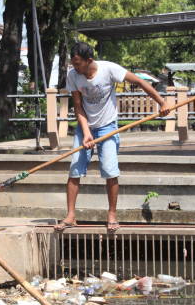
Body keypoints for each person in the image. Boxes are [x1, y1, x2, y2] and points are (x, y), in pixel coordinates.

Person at [54, 42, 170, 233]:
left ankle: (112, 215)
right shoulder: (73, 75)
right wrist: (86, 131)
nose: (75, 68)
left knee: (109, 170)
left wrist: (162, 102)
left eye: (78, 64)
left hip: (108, 127)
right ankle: (71, 216)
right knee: (75, 169)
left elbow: (140, 82)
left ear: (89, 60)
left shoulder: (109, 69)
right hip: (86, 127)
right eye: (73, 65)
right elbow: (78, 105)